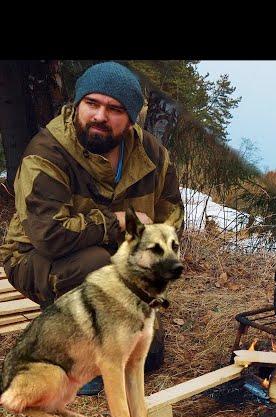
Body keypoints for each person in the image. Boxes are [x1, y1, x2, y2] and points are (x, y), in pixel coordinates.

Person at [0, 61, 184, 394]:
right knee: (96, 267)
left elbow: (170, 217)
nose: (100, 116)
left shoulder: (153, 155)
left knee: (151, 355)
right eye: (92, 104)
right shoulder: (47, 153)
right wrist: (117, 224)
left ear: (129, 118)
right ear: (77, 105)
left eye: (114, 109)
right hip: (36, 257)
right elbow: (49, 236)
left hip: (117, 257)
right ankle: (74, 352)